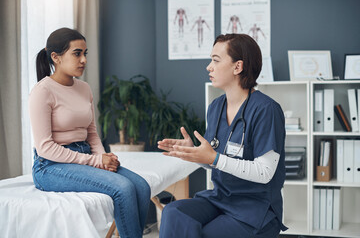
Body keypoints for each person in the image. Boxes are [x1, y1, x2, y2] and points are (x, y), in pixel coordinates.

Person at [158, 33, 287, 238]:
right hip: (220, 198)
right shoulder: (216, 107)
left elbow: (265, 172)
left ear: (238, 67)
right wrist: (194, 152)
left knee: (206, 234)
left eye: (216, 60)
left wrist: (213, 158)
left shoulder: (266, 109)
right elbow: (215, 160)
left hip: (255, 208)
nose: (209, 67)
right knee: (174, 212)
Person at [29, 28, 150, 238]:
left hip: (83, 155)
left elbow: (92, 133)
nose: (84, 60)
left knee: (141, 186)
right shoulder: (42, 91)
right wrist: (95, 161)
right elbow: (45, 147)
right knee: (123, 188)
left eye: (85, 53)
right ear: (56, 57)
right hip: (50, 166)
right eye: (77, 53)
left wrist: (102, 158)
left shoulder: (84, 88)